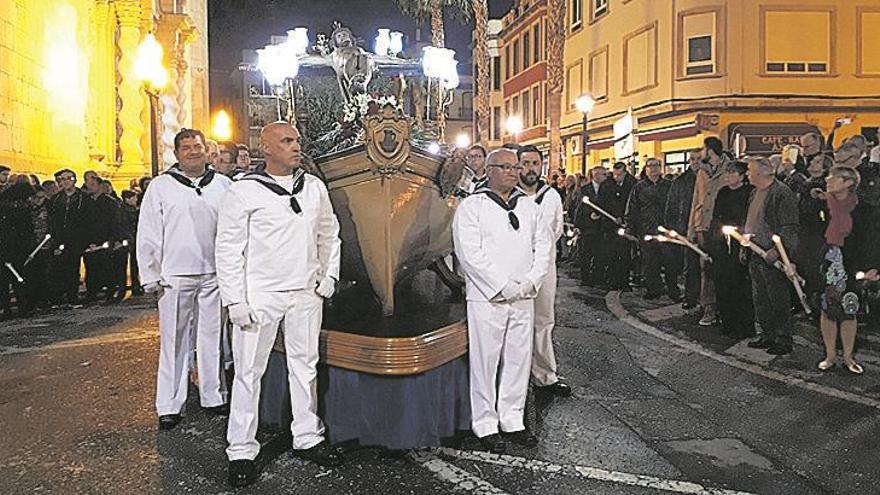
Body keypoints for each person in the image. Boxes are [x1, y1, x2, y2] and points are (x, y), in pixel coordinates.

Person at [217, 122, 343, 487]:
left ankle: (307, 435)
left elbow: (328, 232)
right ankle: (241, 448)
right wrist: (235, 300)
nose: (296, 146)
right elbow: (228, 248)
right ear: (266, 148)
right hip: (261, 295)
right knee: (247, 373)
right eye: (287, 141)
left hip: (305, 291)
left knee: (305, 366)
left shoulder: (314, 187)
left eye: (297, 141)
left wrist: (328, 276)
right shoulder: (244, 192)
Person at [453, 148, 551, 454]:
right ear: (490, 169)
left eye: (515, 167)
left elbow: (544, 247)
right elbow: (469, 253)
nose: (512, 172)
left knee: (519, 360)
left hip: (523, 295)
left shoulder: (529, 206)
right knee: (485, 361)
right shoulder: (472, 207)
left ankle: (512, 419)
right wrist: (503, 285)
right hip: (488, 298)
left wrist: (531, 281)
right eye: (505, 167)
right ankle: (485, 423)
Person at [137, 128, 232, 431]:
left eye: (198, 146)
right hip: (175, 274)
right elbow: (149, 231)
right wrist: (150, 273)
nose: (193, 151)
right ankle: (169, 403)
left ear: (207, 150)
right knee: (174, 340)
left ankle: (213, 394)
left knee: (212, 336)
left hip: (214, 272)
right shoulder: (161, 187)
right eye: (186, 147)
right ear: (177, 154)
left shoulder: (224, 186)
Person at [518, 145, 572, 397]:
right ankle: (514, 378)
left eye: (535, 163)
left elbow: (557, 229)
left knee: (544, 320)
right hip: (516, 267)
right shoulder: (509, 195)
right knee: (516, 323)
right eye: (526, 163)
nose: (531, 168)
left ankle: (545, 375)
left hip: (545, 267)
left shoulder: (551, 196)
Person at [742, 156, 799, 355]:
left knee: (778, 298)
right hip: (756, 252)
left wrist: (778, 251)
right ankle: (767, 334)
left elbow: (789, 226)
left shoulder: (781, 193)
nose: (747, 174)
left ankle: (783, 338)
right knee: (760, 297)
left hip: (771, 255)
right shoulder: (754, 193)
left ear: (760, 172)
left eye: (749, 170)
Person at [815, 166, 868, 374]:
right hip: (827, 259)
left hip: (851, 262)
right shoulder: (822, 205)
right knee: (826, 307)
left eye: (834, 178)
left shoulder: (860, 207)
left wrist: (870, 266)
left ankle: (848, 355)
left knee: (849, 308)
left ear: (848, 182)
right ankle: (829, 355)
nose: (828, 180)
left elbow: (868, 238)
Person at [707, 161, 755, 338]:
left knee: (740, 284)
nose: (727, 177)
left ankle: (743, 325)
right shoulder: (723, 192)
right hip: (722, 242)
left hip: (740, 241)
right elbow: (716, 215)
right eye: (726, 173)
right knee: (723, 281)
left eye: (732, 173)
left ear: (742, 175)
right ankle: (726, 322)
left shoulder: (749, 193)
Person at [689, 137, 731, 326]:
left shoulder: (730, 169)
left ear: (710, 151)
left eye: (704, 150)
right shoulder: (702, 172)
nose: (701, 154)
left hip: (721, 224)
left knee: (722, 267)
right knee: (705, 266)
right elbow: (696, 200)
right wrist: (692, 227)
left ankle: (723, 306)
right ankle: (708, 306)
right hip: (703, 224)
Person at [626, 158, 679, 300]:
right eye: (651, 166)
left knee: (670, 262)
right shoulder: (639, 187)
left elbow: (675, 206)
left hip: (665, 230)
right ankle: (653, 289)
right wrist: (631, 228)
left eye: (657, 165)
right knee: (650, 262)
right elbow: (632, 208)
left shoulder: (669, 186)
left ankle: (673, 288)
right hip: (646, 230)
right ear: (646, 168)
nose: (654, 168)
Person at [47, 169, 89, 305]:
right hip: (59, 237)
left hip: (76, 238)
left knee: (73, 268)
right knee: (59, 268)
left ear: (74, 180)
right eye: (62, 179)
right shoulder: (56, 199)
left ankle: (72, 296)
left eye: (68, 178)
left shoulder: (83, 198)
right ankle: (59, 296)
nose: (65, 182)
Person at [665, 151, 700, 309]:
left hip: (704, 228)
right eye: (692, 159)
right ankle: (691, 296)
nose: (695, 162)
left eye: (698, 159)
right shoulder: (681, 181)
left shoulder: (709, 178)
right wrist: (670, 227)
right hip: (684, 227)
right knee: (690, 265)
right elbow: (672, 204)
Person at [598, 161, 636, 291]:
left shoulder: (632, 184)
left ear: (625, 173)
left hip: (626, 225)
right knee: (611, 254)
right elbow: (602, 203)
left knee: (625, 254)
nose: (616, 177)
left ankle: (624, 281)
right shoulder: (607, 185)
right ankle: (613, 280)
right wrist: (613, 216)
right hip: (610, 225)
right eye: (615, 174)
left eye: (619, 175)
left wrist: (626, 219)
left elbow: (632, 203)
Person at [574, 167, 608, 286]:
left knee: (600, 254)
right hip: (588, 227)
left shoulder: (607, 189)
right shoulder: (584, 190)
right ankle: (586, 278)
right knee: (586, 254)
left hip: (602, 227)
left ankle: (598, 277)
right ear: (595, 175)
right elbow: (579, 208)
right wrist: (579, 224)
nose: (603, 177)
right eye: (601, 174)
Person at [119, 190, 142, 297]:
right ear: (128, 199)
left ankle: (134, 285)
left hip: (133, 240)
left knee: (134, 265)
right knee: (128, 265)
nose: (136, 200)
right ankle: (130, 286)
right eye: (134, 198)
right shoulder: (125, 211)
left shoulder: (131, 210)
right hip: (130, 240)